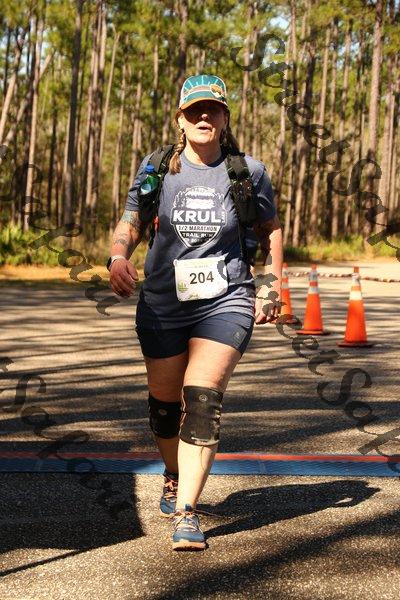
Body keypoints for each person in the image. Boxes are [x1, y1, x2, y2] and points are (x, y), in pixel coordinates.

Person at [108, 74, 283, 551]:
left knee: (202, 401)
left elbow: (269, 228)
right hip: (164, 302)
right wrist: (118, 257)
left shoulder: (247, 172)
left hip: (226, 299)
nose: (204, 117)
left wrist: (271, 285)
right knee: (165, 409)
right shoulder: (157, 167)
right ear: (180, 119)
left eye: (213, 109)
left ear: (225, 118)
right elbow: (132, 219)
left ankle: (187, 510)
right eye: (194, 110)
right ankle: (173, 472)